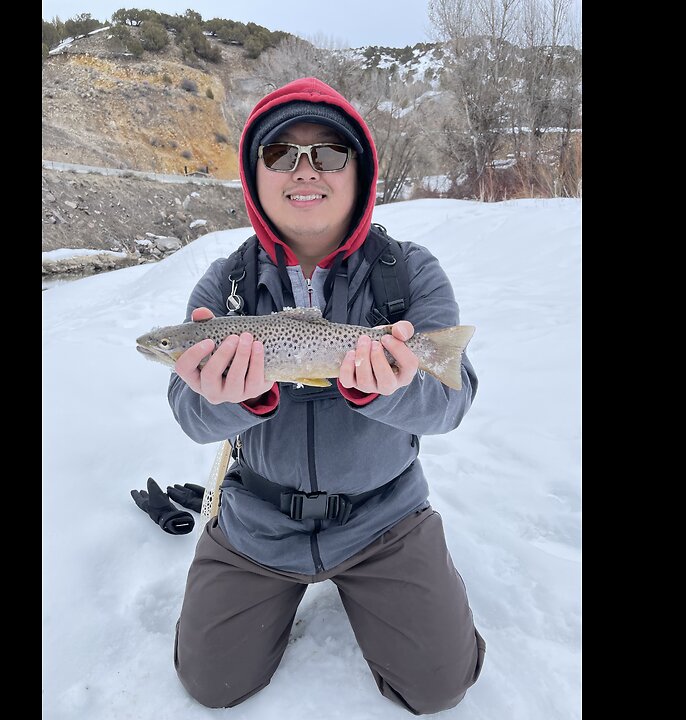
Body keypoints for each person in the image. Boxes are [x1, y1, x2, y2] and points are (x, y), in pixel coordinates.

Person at [164, 76, 485, 715]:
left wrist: (387, 393)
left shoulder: (409, 270)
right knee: (211, 685)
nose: (304, 168)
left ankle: (416, 577)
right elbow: (190, 415)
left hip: (385, 516)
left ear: (359, 171)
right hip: (259, 520)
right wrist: (233, 398)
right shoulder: (225, 283)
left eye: (329, 153)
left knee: (440, 686)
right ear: (255, 177)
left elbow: (451, 400)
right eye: (281, 153)